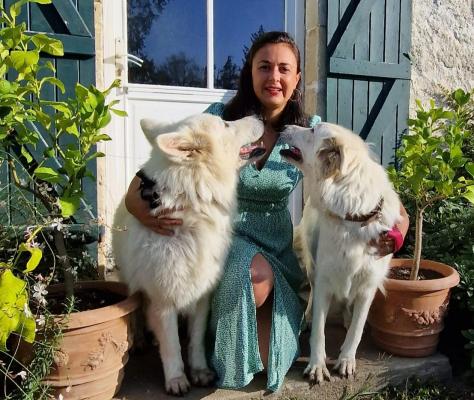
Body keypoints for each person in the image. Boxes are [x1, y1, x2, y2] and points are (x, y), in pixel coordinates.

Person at [124, 31, 410, 392]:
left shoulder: (311, 132)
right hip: (229, 238)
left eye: (283, 69)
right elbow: (139, 189)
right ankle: (212, 331)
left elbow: (371, 187)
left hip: (278, 244)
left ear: (295, 78)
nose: (273, 77)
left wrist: (398, 229)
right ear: (251, 73)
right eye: (264, 67)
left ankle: (245, 315)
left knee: (267, 359)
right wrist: (148, 215)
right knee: (252, 284)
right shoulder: (220, 119)